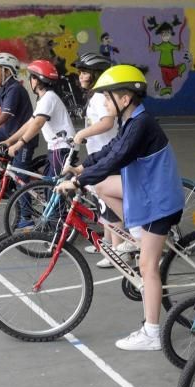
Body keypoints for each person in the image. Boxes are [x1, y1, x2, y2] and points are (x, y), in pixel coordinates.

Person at [56, 64, 183, 351]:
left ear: (125, 99)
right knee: (102, 188)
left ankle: (152, 333)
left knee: (147, 266)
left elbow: (118, 158)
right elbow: (110, 148)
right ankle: (138, 237)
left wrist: (78, 183)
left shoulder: (141, 124)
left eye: (108, 96)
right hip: (148, 195)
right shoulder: (132, 121)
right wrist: (81, 167)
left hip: (158, 202)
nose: (103, 101)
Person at [0, 60, 77, 229]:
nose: (30, 81)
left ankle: (57, 227)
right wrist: (10, 140)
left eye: (32, 77)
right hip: (55, 148)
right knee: (50, 185)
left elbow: (38, 124)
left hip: (62, 148)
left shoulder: (49, 98)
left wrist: (19, 145)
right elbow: (30, 122)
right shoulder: (44, 100)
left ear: (37, 80)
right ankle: (59, 220)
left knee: (53, 189)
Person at [72, 52, 121, 268]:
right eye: (80, 72)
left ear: (96, 74)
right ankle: (107, 244)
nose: (81, 76)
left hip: (108, 157)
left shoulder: (102, 97)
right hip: (99, 155)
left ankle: (117, 252)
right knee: (102, 203)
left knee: (110, 204)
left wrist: (84, 133)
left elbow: (108, 122)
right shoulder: (96, 96)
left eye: (84, 72)